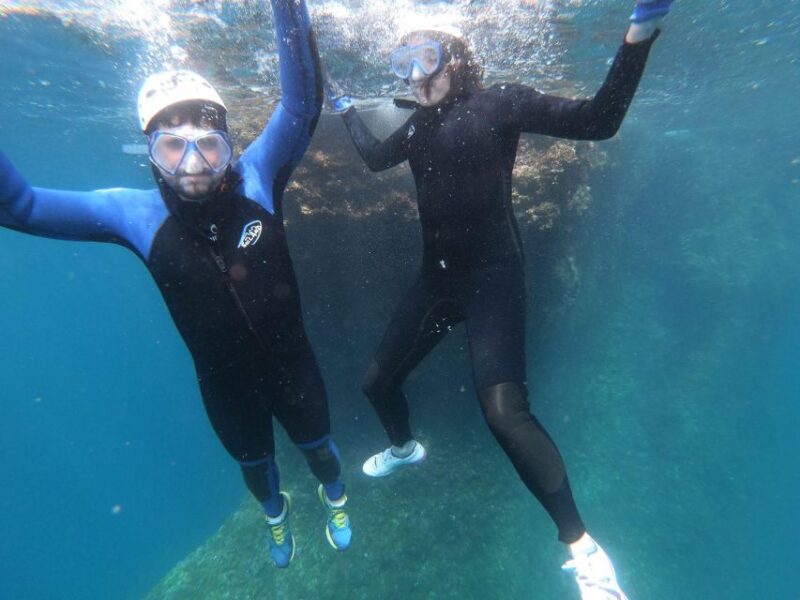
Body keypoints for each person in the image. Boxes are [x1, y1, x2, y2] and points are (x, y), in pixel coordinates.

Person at [331, 0, 675, 597]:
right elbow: (374, 158)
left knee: (504, 416)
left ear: (458, 60)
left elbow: (599, 120)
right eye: (403, 62)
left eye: (427, 58)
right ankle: (405, 447)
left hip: (493, 276)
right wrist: (343, 110)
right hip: (436, 280)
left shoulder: (501, 103)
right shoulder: (415, 124)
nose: (415, 76)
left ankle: (584, 550)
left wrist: (638, 35)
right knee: (374, 385)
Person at [0, 0, 350, 569]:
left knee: (322, 450)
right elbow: (18, 205)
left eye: (208, 145)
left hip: (294, 364)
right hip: (225, 385)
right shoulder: (131, 214)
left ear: (228, 146)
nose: (193, 163)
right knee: (256, 469)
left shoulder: (258, 176)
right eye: (172, 147)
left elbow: (301, 103)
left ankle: (335, 497)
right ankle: (275, 514)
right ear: (152, 155)